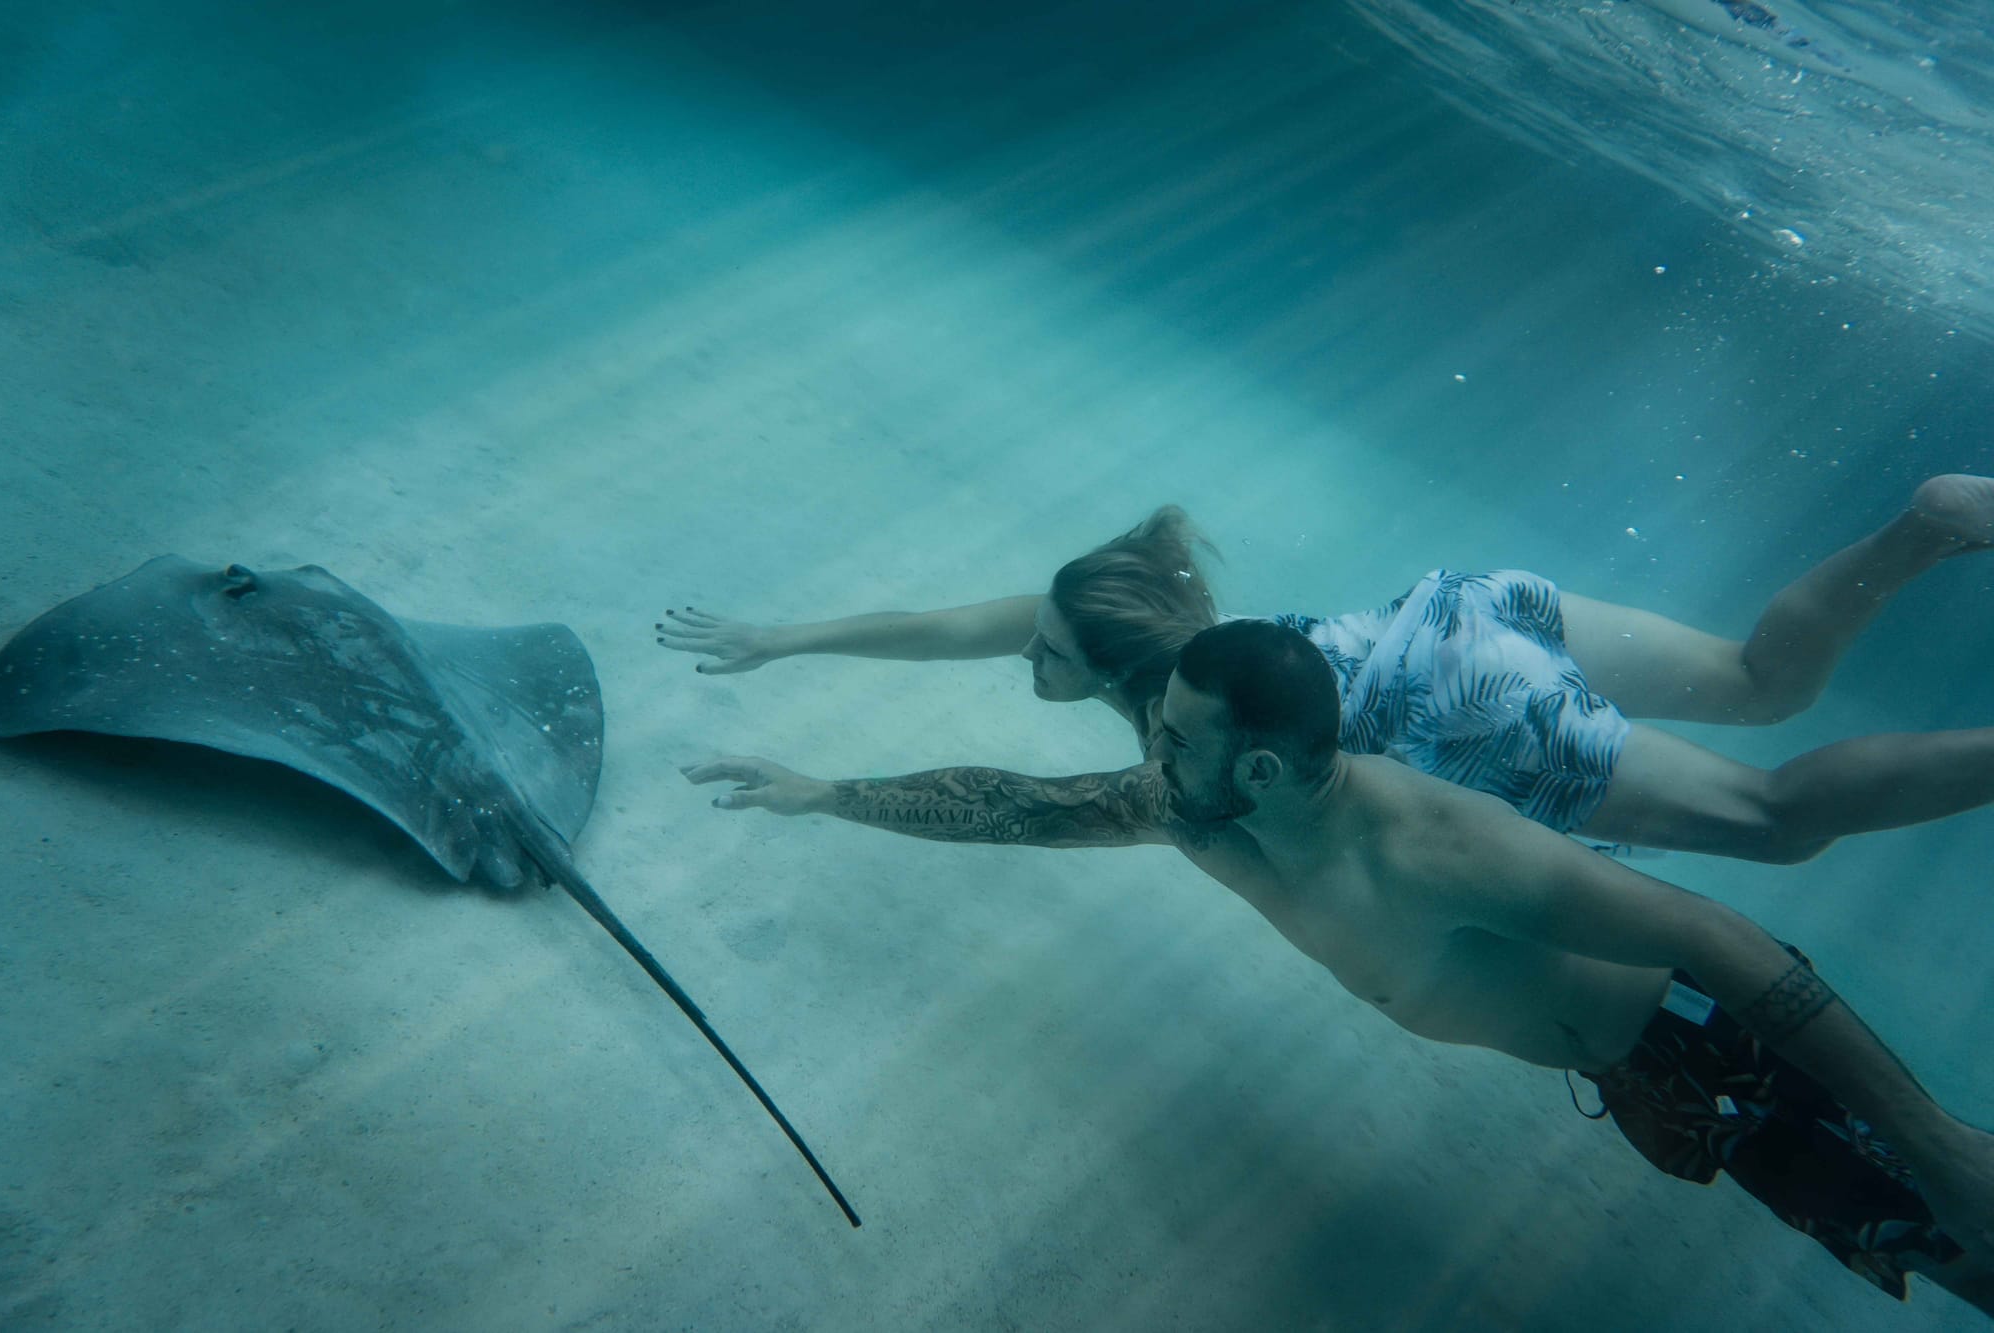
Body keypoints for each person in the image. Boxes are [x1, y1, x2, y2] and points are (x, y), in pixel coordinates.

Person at [682, 617, 1994, 1312]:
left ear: (1256, 767)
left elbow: (1720, 938)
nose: (1150, 752)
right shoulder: (1196, 807)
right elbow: (1019, 803)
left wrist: (1931, 1134)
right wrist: (824, 792)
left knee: (1963, 1233)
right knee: (1933, 1252)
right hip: (1662, 1085)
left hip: (1725, 1047)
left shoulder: (1428, 841)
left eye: (1177, 735)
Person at [659, 474, 1994, 864]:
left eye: (1048, 656)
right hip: (1464, 608)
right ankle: (1929, 526)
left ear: (1115, 656)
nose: (1027, 661)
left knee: (1773, 821)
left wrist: (826, 791)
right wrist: (785, 638)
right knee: (1768, 683)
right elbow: (945, 623)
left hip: (1474, 707)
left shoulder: (1184, 742)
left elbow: (1018, 804)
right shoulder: (1137, 619)